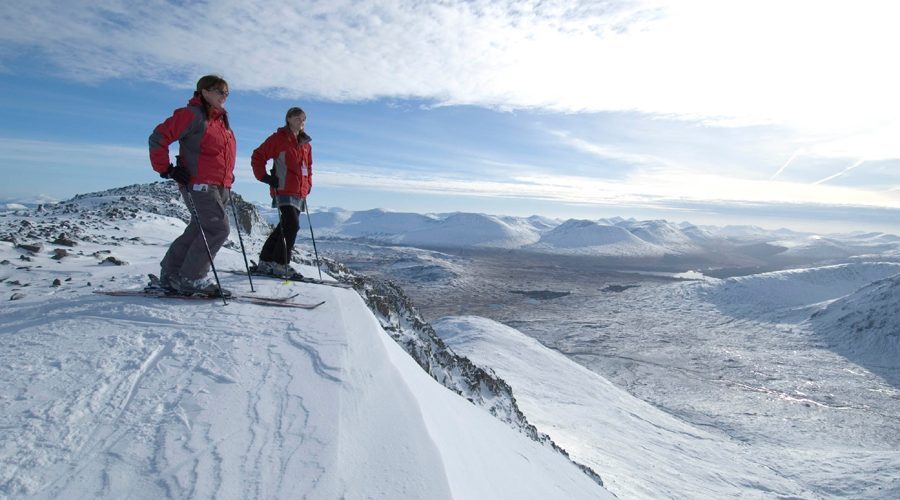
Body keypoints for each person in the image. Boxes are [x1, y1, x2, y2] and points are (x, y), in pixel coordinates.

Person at [148, 75, 236, 296]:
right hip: (199, 184)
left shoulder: (220, 120)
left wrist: (227, 180)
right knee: (217, 228)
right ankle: (192, 278)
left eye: (226, 92)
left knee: (199, 229)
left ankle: (171, 274)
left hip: (219, 185)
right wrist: (166, 169)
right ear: (204, 91)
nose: (223, 96)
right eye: (219, 91)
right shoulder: (192, 115)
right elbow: (159, 137)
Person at [251, 107, 313, 277]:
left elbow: (308, 167)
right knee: (292, 225)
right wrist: (264, 177)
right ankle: (280, 264)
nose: (301, 122)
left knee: (284, 226)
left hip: (299, 191)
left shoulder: (305, 143)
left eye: (303, 119)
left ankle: (266, 260)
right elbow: (258, 156)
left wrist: (309, 185)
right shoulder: (278, 139)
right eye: (298, 118)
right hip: (283, 188)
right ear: (288, 119)